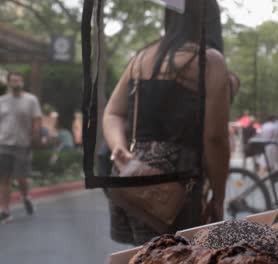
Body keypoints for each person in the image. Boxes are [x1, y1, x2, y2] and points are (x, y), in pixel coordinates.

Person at [102, 0, 230, 245]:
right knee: (175, 255)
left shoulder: (141, 58)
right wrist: (219, 196)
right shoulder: (209, 61)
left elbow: (112, 113)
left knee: (140, 255)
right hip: (174, 187)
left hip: (129, 173)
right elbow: (215, 138)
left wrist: (118, 147)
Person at [0, 72, 42, 223]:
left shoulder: (31, 100)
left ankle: (25, 196)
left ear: (22, 82)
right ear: (8, 83)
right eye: (13, 80)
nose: (16, 82)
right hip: (3, 144)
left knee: (21, 178)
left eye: (18, 80)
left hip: (23, 144)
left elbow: (37, 119)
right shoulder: (2, 101)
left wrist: (35, 136)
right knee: (4, 179)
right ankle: (5, 210)